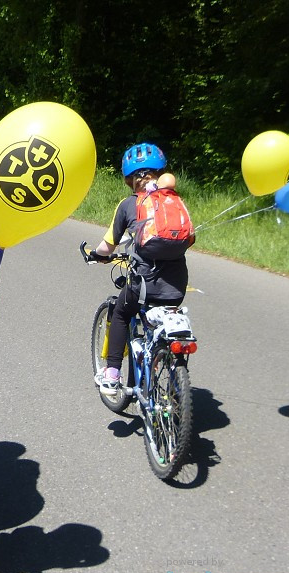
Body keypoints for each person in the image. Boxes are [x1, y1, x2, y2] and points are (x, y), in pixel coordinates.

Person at [88, 143, 188, 396]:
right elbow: (188, 237)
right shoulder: (174, 201)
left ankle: (111, 374)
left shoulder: (127, 205)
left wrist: (94, 256)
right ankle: (173, 375)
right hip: (177, 285)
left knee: (121, 313)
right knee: (167, 325)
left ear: (129, 179)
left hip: (143, 285)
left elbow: (107, 246)